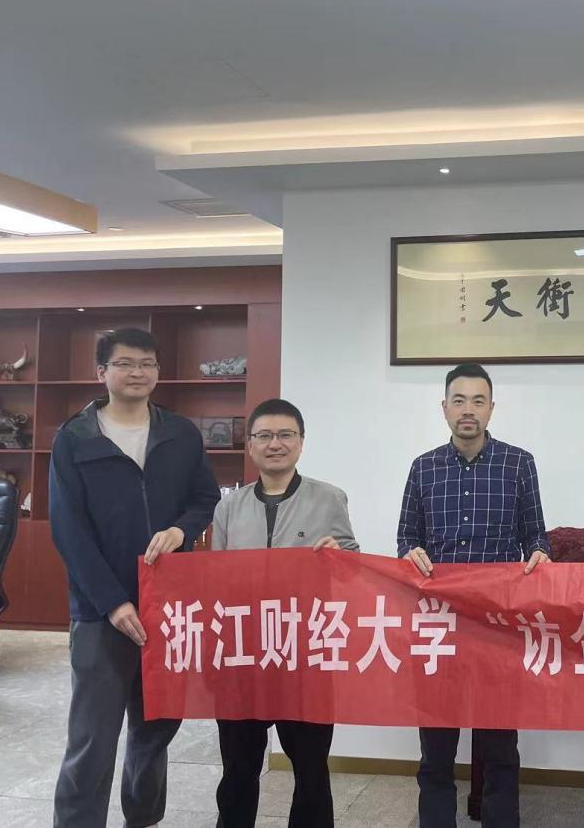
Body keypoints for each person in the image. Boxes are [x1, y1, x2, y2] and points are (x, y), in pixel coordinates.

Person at [51, 326, 220, 827]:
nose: (138, 372)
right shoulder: (75, 438)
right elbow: (68, 529)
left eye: (147, 363)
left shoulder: (181, 433)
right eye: (125, 363)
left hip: (167, 607)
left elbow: (205, 499)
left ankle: (143, 819)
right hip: (101, 613)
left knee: (154, 732)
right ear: (102, 372)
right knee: (93, 738)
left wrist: (181, 529)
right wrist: (112, 601)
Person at [397, 363, 551, 827]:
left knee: (499, 745)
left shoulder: (518, 463)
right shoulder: (423, 467)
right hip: (439, 624)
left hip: (496, 624)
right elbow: (406, 539)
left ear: (491, 408)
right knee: (436, 748)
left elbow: (536, 536)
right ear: (444, 408)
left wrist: (540, 554)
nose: (468, 410)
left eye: (478, 401)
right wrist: (410, 554)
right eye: (459, 401)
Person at [210, 397, 359, 828]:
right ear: (250, 445)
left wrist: (339, 558)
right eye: (264, 436)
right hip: (243, 655)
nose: (275, 444)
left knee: (310, 769)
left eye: (285, 435)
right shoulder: (229, 506)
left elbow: (353, 566)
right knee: (238, 768)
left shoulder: (329, 498)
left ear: (301, 442)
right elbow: (216, 579)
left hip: (304, 654)